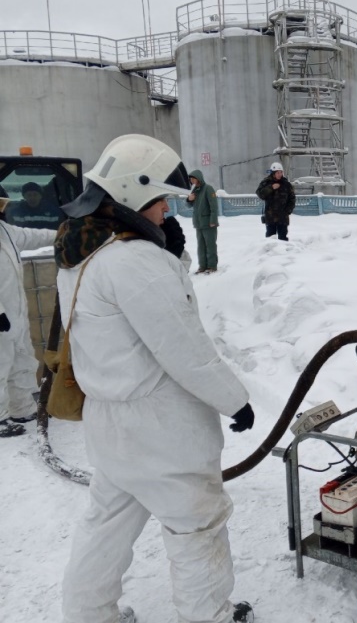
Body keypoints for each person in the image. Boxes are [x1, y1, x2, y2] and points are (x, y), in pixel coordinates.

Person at [55, 134, 255, 623]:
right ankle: (208, 616)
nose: (167, 208)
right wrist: (235, 400)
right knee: (196, 525)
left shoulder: (85, 251)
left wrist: (171, 254)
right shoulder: (136, 261)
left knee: (107, 521)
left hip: (111, 421)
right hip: (160, 426)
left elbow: (132, 317)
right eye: (160, 199)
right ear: (131, 191)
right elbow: (182, 347)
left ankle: (87, 614)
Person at [0, 197, 56, 437]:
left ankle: (22, 408)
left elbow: (33, 236)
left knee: (21, 359)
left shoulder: (6, 231)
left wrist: (63, 232)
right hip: (2, 314)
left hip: (15, 312)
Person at [187, 169, 219, 274]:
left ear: (199, 178)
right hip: (198, 223)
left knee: (210, 245)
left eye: (193, 178)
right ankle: (202, 266)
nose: (192, 180)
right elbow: (188, 205)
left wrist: (213, 220)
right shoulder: (194, 190)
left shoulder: (208, 188)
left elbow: (214, 206)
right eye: (190, 179)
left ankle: (212, 266)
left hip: (209, 223)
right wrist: (189, 199)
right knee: (200, 246)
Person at [255, 161, 295, 241]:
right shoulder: (266, 182)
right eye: (278, 172)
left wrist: (288, 210)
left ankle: (283, 249)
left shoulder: (286, 184)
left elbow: (292, 198)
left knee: (283, 238)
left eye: (281, 172)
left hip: (283, 216)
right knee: (270, 238)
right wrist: (271, 188)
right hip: (270, 216)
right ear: (273, 173)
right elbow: (260, 194)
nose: (280, 174)